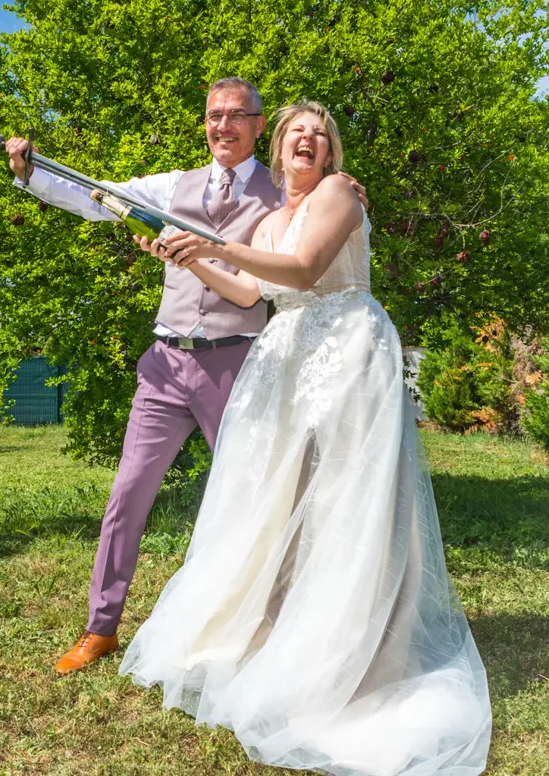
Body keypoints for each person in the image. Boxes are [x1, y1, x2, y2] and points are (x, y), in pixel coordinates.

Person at [121, 101, 492, 775]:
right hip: (288, 361)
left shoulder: (339, 193)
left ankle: (366, 655)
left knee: (350, 500)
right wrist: (187, 256)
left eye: (321, 134)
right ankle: (288, 635)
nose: (309, 138)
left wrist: (211, 243)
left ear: (330, 152)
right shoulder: (267, 219)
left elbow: (304, 268)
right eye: (298, 129)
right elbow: (247, 293)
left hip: (348, 351)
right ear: (280, 145)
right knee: (283, 501)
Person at [4, 77, 368, 676]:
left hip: (238, 364)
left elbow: (313, 230)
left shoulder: (284, 189)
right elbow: (97, 195)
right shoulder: (174, 185)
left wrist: (342, 186)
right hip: (166, 362)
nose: (223, 125)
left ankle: (273, 626)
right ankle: (100, 628)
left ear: (259, 125)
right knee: (127, 494)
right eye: (214, 115)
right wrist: (31, 172)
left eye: (237, 115)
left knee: (259, 500)